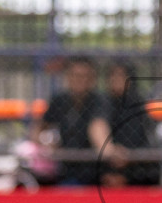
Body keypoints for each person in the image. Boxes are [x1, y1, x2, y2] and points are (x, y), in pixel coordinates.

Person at [35, 57, 111, 186]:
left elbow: (97, 127)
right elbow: (39, 128)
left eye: (84, 76)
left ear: (92, 79)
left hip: (95, 170)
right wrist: (44, 144)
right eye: (75, 75)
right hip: (66, 169)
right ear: (67, 77)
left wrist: (107, 150)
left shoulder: (100, 101)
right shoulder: (59, 101)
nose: (79, 80)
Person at [103, 61, 161, 186]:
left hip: (136, 173)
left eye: (120, 75)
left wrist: (129, 158)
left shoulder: (138, 106)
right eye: (112, 75)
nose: (115, 79)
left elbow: (149, 144)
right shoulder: (102, 104)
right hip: (105, 173)